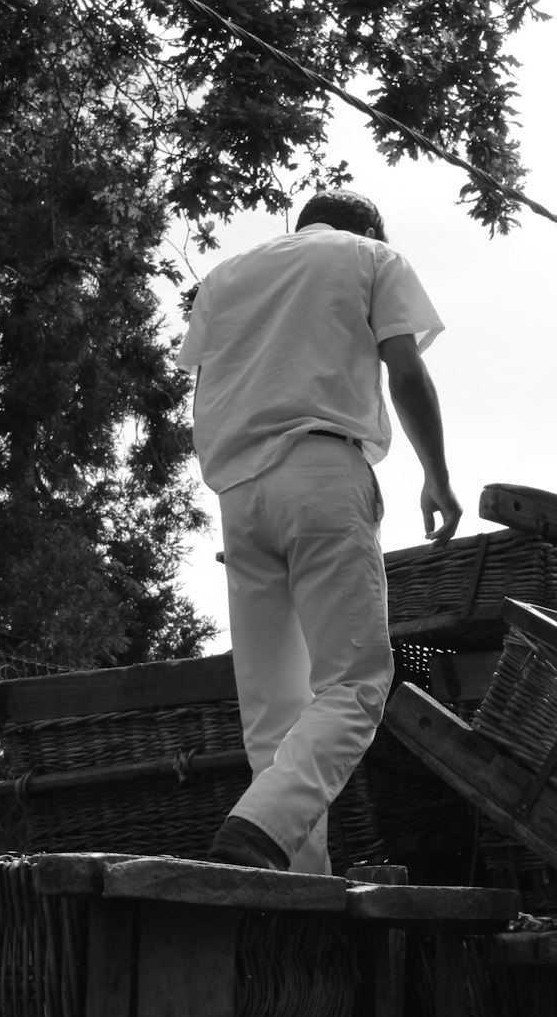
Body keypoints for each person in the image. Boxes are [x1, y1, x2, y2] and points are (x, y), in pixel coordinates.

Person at [176, 189, 462, 872]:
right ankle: (256, 832)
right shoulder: (370, 255)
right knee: (357, 682)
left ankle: (294, 892)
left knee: (275, 710)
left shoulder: (226, 278)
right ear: (368, 227)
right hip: (322, 472)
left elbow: (209, 379)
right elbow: (405, 368)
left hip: (238, 496)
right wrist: (437, 477)